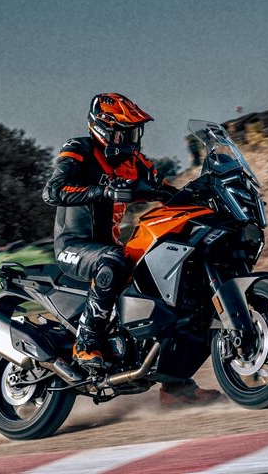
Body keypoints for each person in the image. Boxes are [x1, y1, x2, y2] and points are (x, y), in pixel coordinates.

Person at [42, 93, 220, 407]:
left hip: (110, 249)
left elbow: (165, 190)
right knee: (114, 259)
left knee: (175, 289)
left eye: (135, 131)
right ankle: (86, 342)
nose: (133, 138)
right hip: (74, 246)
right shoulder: (80, 149)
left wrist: (205, 196)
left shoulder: (134, 163)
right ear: (105, 129)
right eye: (126, 131)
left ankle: (175, 384)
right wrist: (104, 190)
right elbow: (53, 190)